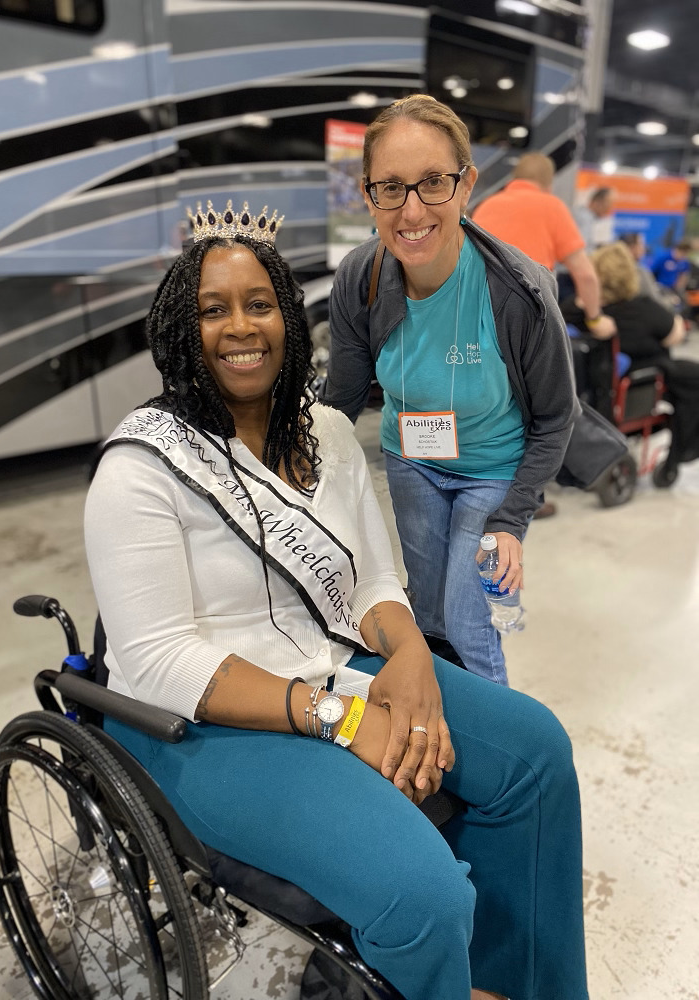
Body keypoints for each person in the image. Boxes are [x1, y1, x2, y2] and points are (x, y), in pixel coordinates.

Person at [84, 200, 589, 1000]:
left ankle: (517, 983)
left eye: (261, 304)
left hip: (331, 664)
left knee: (534, 750)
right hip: (197, 723)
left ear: (290, 317)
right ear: (183, 327)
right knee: (420, 894)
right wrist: (342, 719)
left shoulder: (323, 432)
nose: (241, 327)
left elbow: (372, 584)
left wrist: (413, 655)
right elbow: (157, 661)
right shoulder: (141, 467)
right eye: (214, 310)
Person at [324, 95, 578, 686]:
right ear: (368, 195)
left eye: (433, 183)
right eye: (391, 187)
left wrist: (512, 520)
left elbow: (556, 418)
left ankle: (496, 759)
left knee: (469, 626)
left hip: (492, 470)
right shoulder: (361, 279)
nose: (411, 211)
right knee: (427, 618)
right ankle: (439, 740)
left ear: (467, 186)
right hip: (412, 462)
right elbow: (341, 399)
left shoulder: (519, 292)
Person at [472, 152, 616, 519]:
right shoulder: (551, 206)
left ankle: (484, 487)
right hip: (533, 325)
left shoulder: (487, 205)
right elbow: (584, 272)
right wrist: (596, 316)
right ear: (549, 182)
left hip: (478, 323)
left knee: (498, 410)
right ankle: (528, 498)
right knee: (547, 413)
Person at [561, 240, 699, 472]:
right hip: (645, 380)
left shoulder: (576, 310)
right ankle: (680, 453)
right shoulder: (644, 308)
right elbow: (675, 335)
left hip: (592, 391)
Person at [619, 232, 666, 302]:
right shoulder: (640, 272)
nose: (644, 248)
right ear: (631, 248)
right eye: (641, 245)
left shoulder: (613, 269)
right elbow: (654, 299)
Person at [576, 186, 615, 252]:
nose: (609, 209)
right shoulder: (584, 219)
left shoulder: (590, 218)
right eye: (608, 204)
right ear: (597, 202)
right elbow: (581, 248)